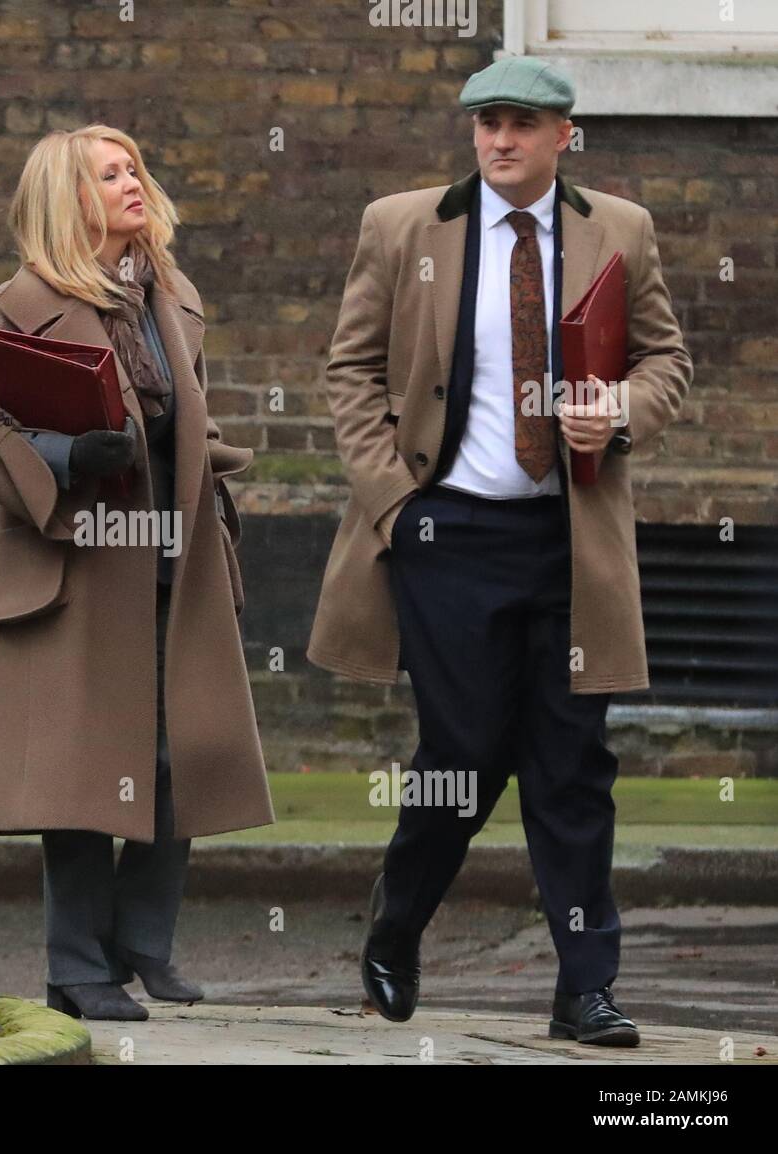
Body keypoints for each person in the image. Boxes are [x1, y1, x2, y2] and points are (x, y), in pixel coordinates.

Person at [306, 57, 692, 1045]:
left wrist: (618, 413)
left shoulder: (619, 229)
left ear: (566, 134)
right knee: (465, 754)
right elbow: (348, 371)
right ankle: (397, 921)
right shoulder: (403, 226)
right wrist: (393, 503)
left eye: (520, 122)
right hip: (446, 533)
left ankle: (584, 987)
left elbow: (664, 359)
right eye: (484, 121)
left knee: (571, 762)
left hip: (570, 537)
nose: (497, 139)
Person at [0, 125, 275, 1020]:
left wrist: (213, 455)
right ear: (71, 200)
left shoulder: (171, 294)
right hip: (80, 571)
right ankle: (73, 966)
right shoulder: (22, 302)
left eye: (136, 165)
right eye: (109, 174)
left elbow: (184, 425)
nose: (133, 181)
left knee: (183, 756)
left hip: (178, 564)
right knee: (84, 774)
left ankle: (142, 940)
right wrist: (60, 452)